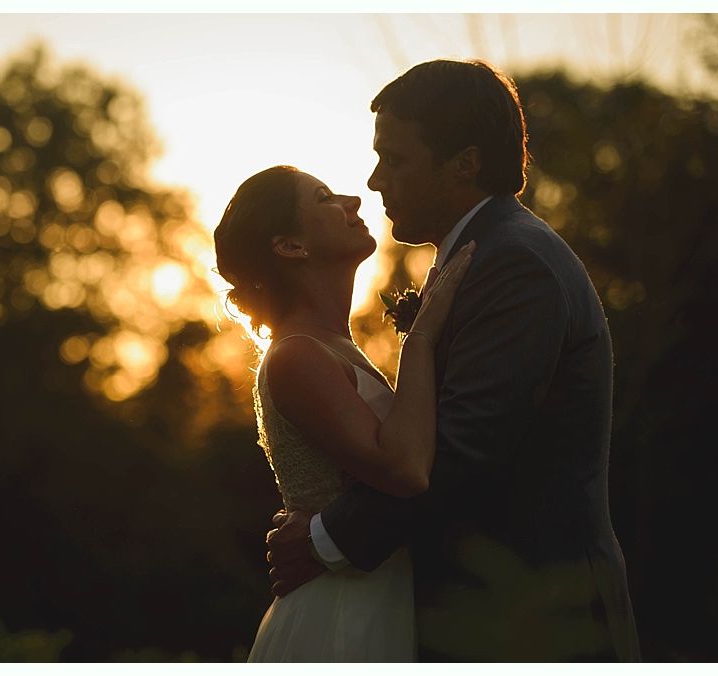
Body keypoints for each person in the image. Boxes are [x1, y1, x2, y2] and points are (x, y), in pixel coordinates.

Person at [265, 59, 641, 661]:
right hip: (490, 611)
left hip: (540, 615)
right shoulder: (478, 256)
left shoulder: (515, 264)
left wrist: (324, 540)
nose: (375, 179)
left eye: (395, 158)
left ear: (464, 163)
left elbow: (465, 448)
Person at [214, 165, 475, 661]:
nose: (353, 200)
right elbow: (404, 469)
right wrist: (420, 339)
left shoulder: (334, 347)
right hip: (341, 614)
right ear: (290, 246)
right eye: (324, 198)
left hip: (378, 593)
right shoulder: (296, 355)